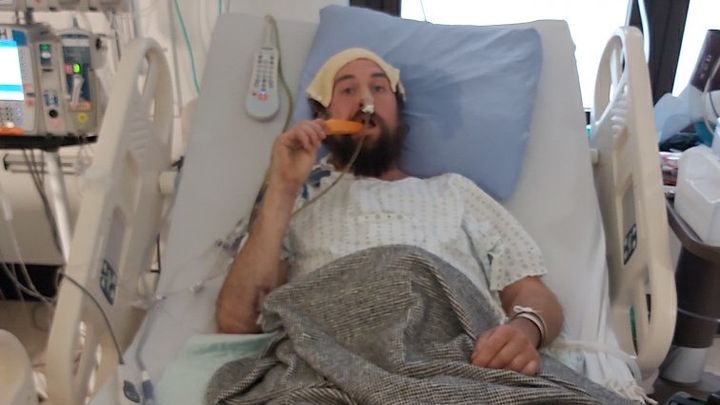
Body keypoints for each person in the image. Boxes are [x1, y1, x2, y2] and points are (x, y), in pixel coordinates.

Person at [215, 48, 564, 377]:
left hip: (459, 366)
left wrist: (525, 329)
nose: (365, 100)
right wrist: (282, 188)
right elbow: (238, 319)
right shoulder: (300, 203)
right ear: (323, 118)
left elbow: (530, 290)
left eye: (379, 88)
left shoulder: (455, 192)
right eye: (347, 89)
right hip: (335, 368)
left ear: (398, 112)